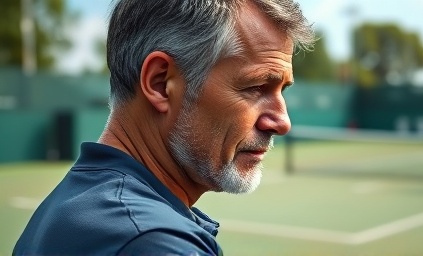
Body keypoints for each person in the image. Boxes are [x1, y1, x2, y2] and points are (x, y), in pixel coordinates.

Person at [13, 0, 314, 255]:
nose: (281, 122)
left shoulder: (71, 205)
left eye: (281, 90)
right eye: (257, 86)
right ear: (160, 84)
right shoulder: (153, 241)